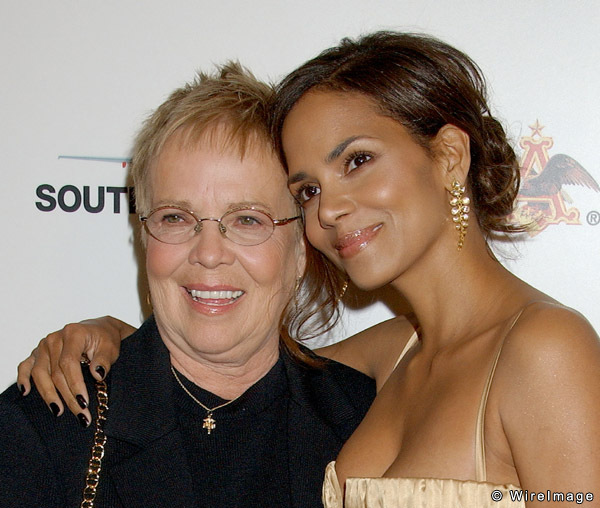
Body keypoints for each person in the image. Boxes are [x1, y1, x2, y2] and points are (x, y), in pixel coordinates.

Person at [17, 32, 600, 507]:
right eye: (309, 188)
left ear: (449, 155)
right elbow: (241, 367)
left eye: (358, 160)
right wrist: (113, 335)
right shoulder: (390, 357)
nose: (330, 206)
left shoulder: (545, 348)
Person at [0, 62, 376, 508]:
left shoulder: (365, 420)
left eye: (247, 219)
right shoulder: (48, 424)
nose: (209, 253)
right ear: (143, 235)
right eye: (175, 217)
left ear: (300, 249)